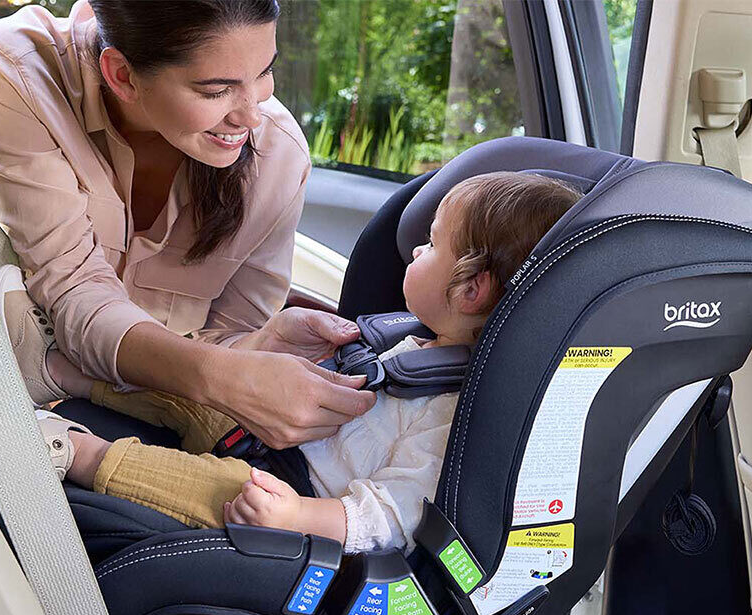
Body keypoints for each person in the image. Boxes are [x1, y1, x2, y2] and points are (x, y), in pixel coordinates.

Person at [36, 172, 583, 553]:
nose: (416, 251)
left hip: (299, 495)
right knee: (204, 388)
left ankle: (77, 453)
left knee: (215, 487)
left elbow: (393, 515)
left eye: (433, 245)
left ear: (470, 289)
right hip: (281, 441)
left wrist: (296, 517)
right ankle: (69, 375)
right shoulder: (417, 342)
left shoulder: (457, 413)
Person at [0, 0, 374, 452]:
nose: (252, 116)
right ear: (122, 75)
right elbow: (74, 288)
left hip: (145, 422)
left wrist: (262, 343)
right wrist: (218, 376)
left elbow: (229, 336)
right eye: (216, 90)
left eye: (265, 72)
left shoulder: (279, 157)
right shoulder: (20, 69)